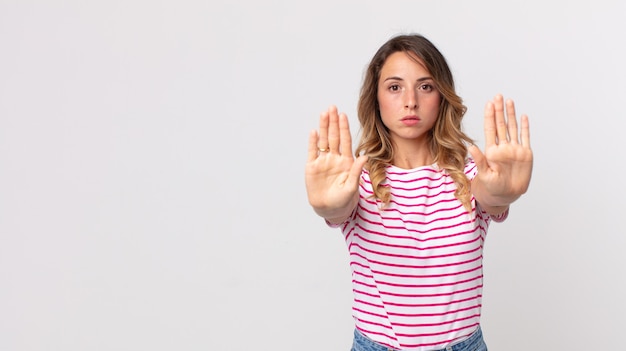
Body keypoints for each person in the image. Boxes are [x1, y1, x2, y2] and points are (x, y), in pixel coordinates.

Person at [304, 34, 533, 351]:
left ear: (442, 96)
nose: (410, 100)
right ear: (376, 98)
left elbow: (491, 198)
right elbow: (338, 209)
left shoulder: (474, 175)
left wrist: (502, 195)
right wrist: (329, 208)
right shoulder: (354, 181)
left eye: (425, 86)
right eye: (394, 87)